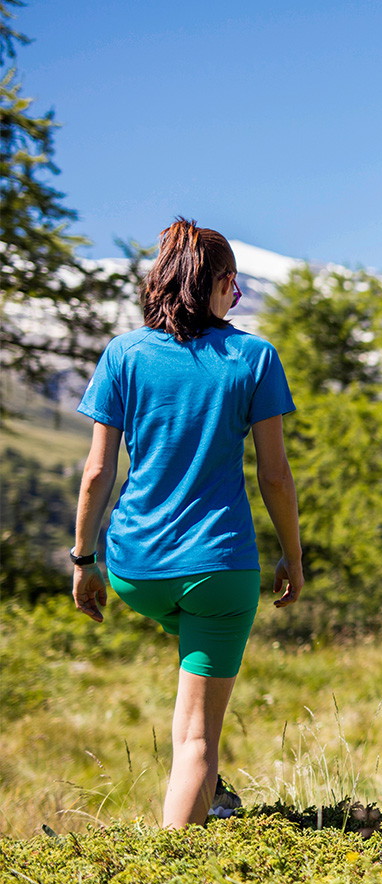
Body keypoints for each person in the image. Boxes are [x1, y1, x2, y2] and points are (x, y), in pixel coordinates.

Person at [70, 218, 303, 828]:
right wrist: (292, 557)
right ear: (218, 284)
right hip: (220, 568)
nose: (237, 298)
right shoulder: (254, 357)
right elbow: (275, 476)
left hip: (134, 569)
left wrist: (83, 560)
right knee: (196, 739)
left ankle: (211, 798)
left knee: (187, 654)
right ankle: (179, 858)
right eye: (234, 286)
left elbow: (97, 472)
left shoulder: (124, 354)